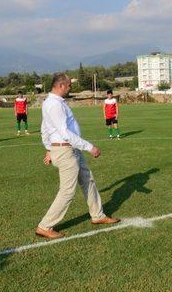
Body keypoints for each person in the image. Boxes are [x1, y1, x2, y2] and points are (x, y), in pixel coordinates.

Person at [37, 73, 120, 239]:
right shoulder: (54, 104)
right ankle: (45, 226)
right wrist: (89, 147)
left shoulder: (53, 102)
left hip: (70, 149)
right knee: (67, 191)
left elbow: (44, 128)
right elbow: (64, 132)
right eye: (68, 85)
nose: (70, 88)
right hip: (66, 150)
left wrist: (49, 148)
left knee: (88, 180)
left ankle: (98, 215)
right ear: (61, 86)